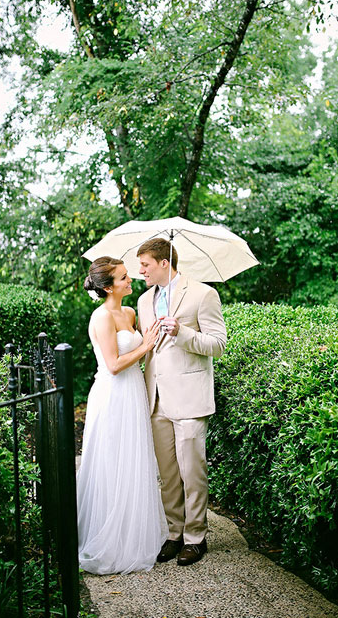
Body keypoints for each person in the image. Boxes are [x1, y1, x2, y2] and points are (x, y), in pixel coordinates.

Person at [137, 238, 227, 566]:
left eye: (145, 264)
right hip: (155, 397)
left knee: (193, 470)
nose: (140, 270)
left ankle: (195, 537)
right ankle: (174, 534)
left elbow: (217, 344)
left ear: (164, 262)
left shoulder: (203, 294)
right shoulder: (144, 300)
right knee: (168, 473)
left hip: (190, 397)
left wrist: (183, 332)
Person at [76, 256, 168, 575]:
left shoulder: (128, 312)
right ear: (107, 287)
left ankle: (134, 535)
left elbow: (143, 346)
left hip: (134, 393)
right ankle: (112, 542)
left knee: (134, 461)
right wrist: (147, 345)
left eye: (129, 275)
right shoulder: (101, 318)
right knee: (112, 463)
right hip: (113, 396)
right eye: (123, 278)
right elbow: (114, 365)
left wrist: (156, 332)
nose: (130, 281)